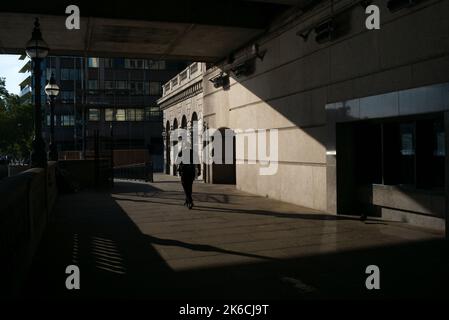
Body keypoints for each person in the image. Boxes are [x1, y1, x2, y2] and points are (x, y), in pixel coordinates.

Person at [176, 139, 196, 209]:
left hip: (184, 172)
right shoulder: (193, 152)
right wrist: (198, 171)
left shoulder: (181, 152)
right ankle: (187, 200)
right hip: (191, 172)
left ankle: (190, 201)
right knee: (189, 186)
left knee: (185, 186)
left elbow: (177, 162)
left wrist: (178, 169)